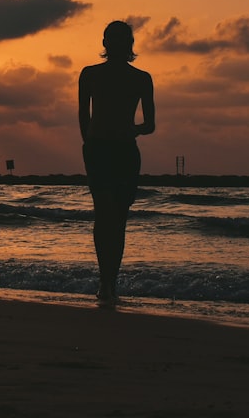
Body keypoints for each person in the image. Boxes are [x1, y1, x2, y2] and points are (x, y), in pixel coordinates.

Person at [78, 21, 155, 306]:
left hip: (123, 150)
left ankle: (111, 280)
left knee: (117, 218)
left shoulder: (142, 78)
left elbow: (150, 124)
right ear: (106, 42)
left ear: (129, 43)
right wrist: (89, 142)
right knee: (104, 214)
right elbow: (83, 116)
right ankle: (105, 280)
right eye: (114, 39)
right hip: (99, 149)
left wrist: (130, 129)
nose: (118, 44)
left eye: (122, 40)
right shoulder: (89, 74)